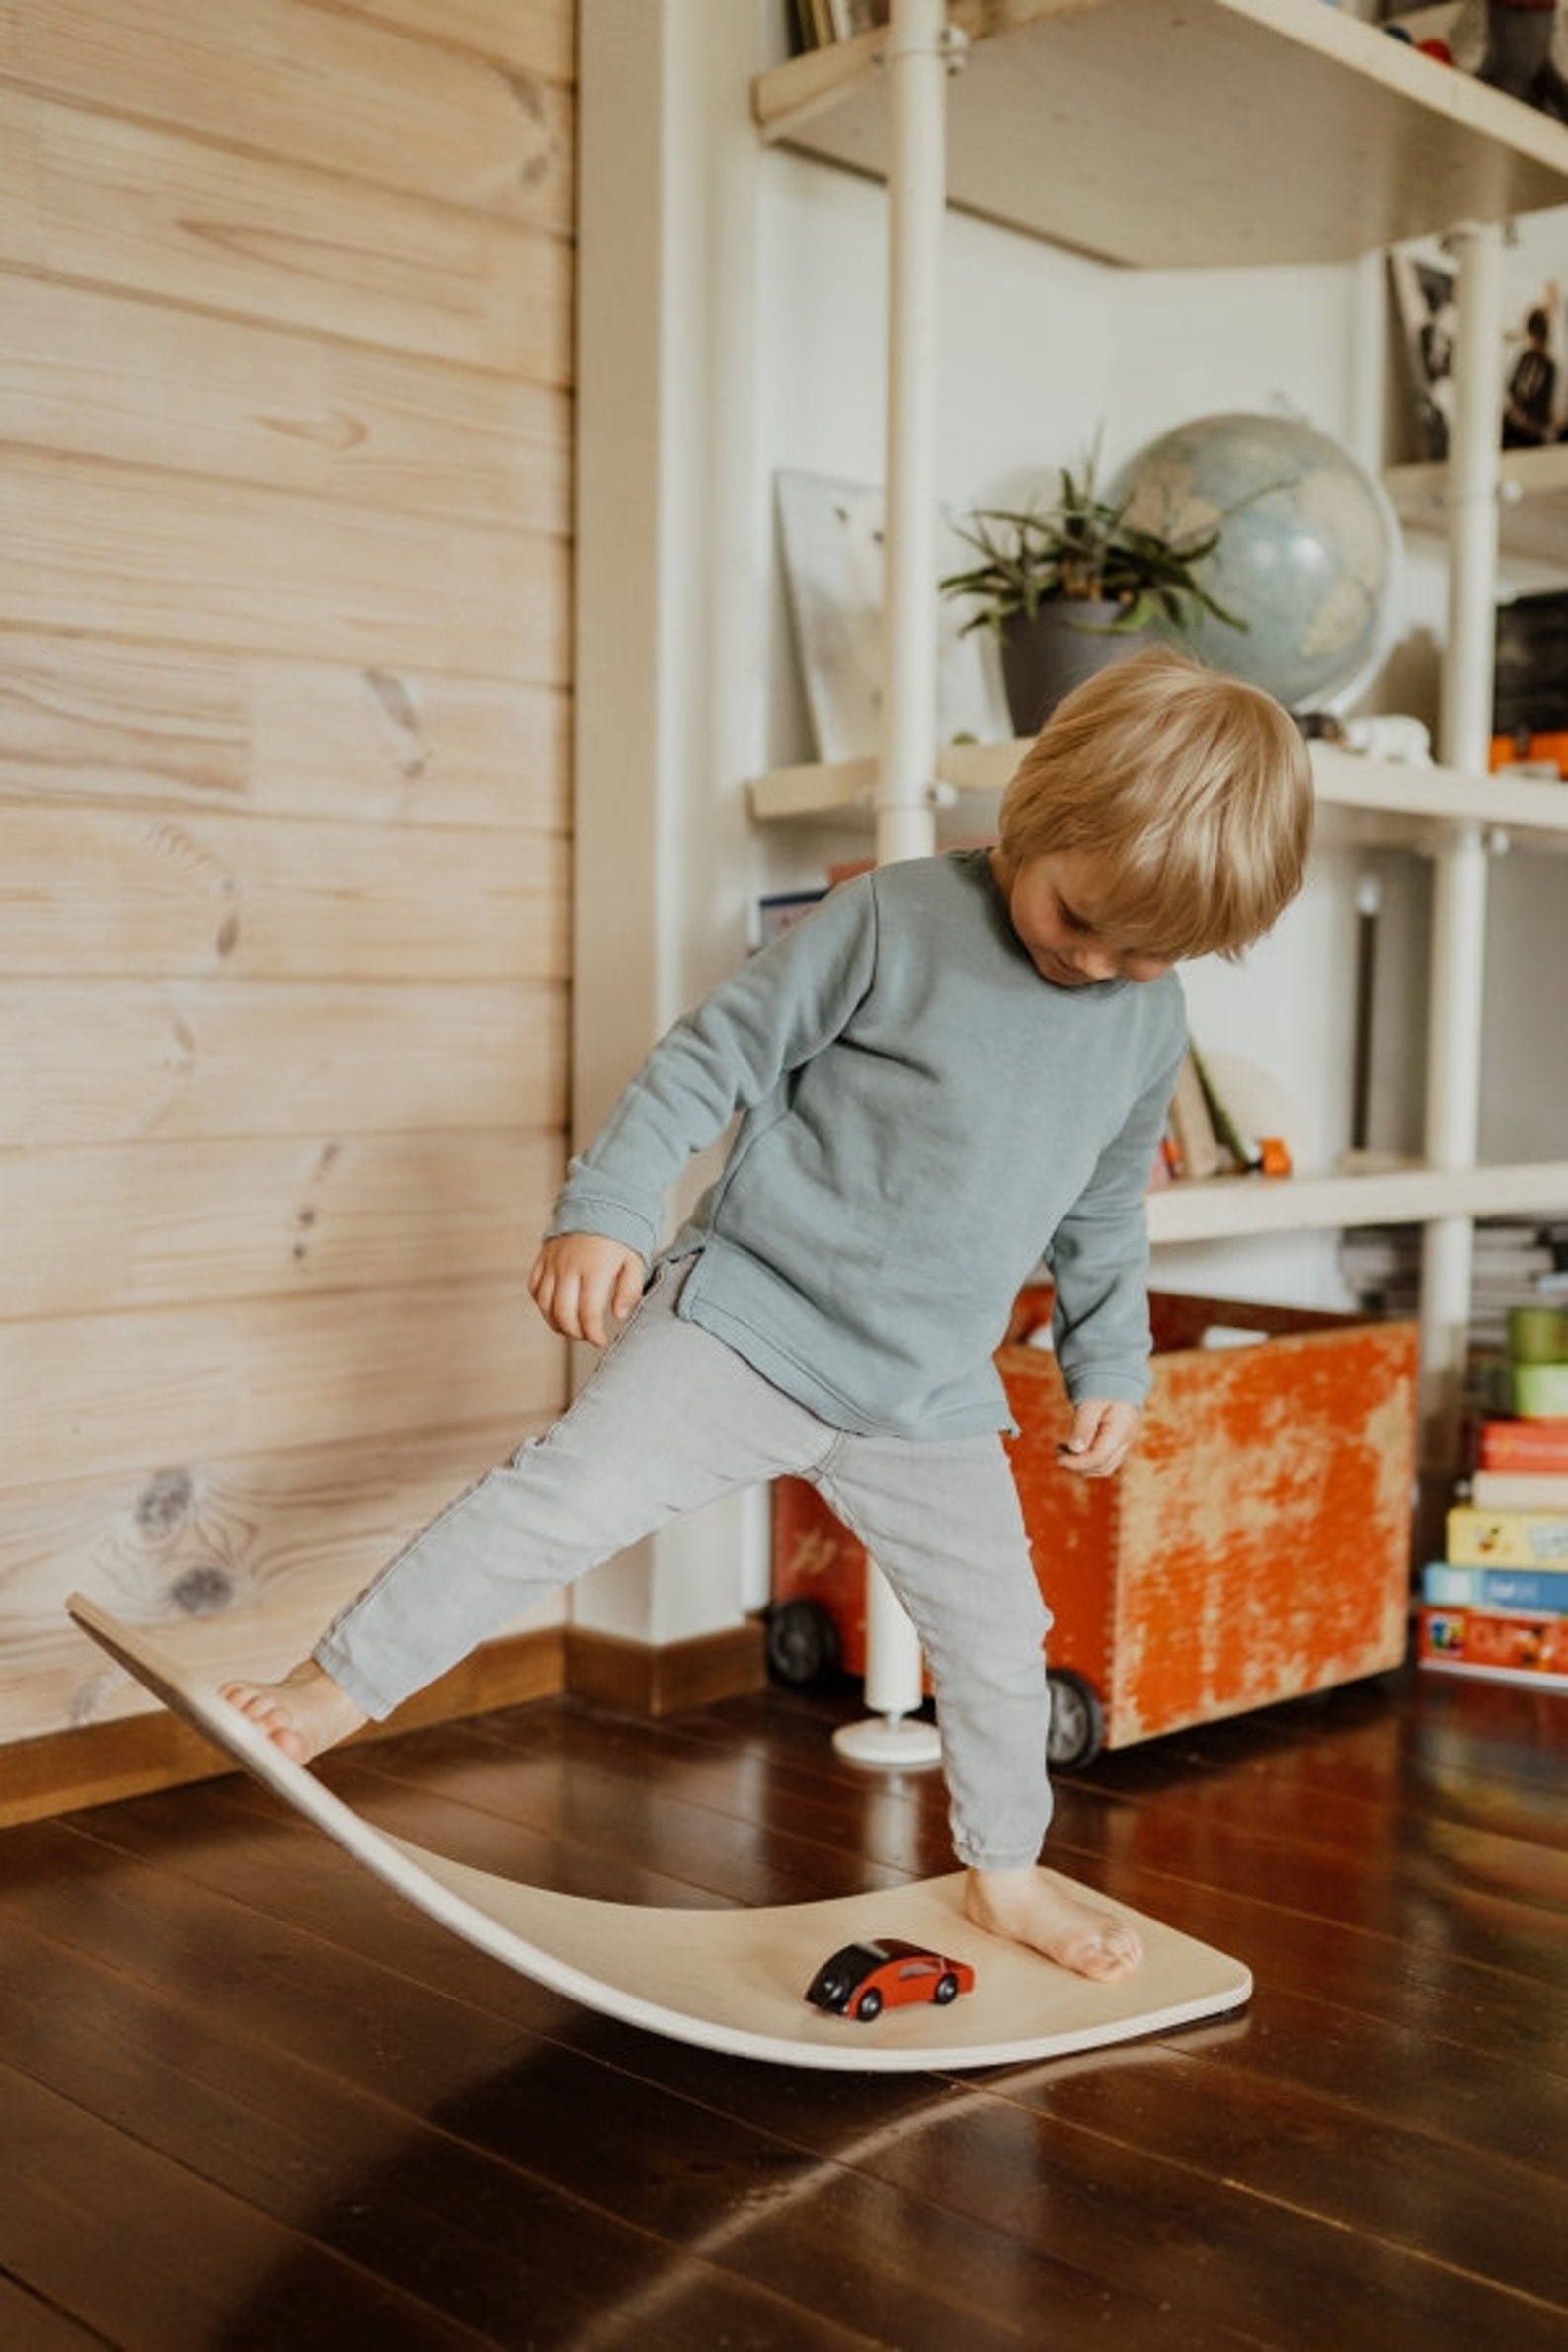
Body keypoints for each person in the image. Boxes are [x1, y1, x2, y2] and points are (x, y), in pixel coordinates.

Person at [223, 646, 1313, 1984]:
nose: (1095, 962)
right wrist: (609, 1208)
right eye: (1080, 916)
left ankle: (1005, 1871)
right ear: (1043, 812)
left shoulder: (1146, 1025)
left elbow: (1103, 1209)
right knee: (558, 1499)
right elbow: (710, 1056)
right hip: (746, 1321)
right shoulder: (895, 920)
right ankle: (328, 1691)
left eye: (1145, 952)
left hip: (926, 1393)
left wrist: (1112, 1363)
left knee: (999, 1643)